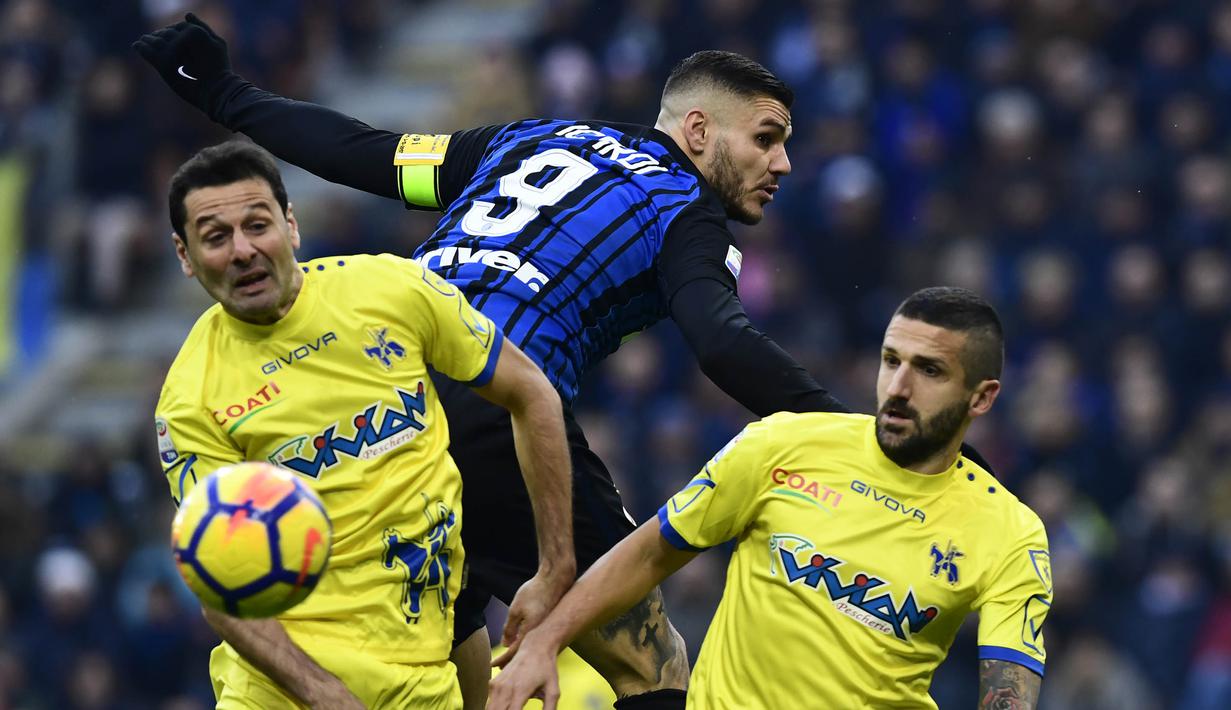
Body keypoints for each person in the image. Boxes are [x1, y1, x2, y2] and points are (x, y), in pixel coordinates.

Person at [134, 16, 987, 708]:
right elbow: (722, 342)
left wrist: (224, 93)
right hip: (495, 407)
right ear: (696, 130)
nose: (783, 163)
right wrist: (874, 440)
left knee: (461, 677)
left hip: (384, 405)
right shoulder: (682, 208)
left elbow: (370, 155)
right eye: (766, 139)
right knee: (654, 671)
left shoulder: (533, 139)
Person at [489, 287, 1053, 710]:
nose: (899, 388)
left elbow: (1008, 687)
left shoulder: (1009, 532)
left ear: (981, 398)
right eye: (890, 360)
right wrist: (548, 639)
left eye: (929, 370)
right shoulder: (785, 441)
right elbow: (649, 554)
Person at [154, 140, 573, 708]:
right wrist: (321, 692)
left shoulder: (389, 290)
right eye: (215, 237)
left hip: (420, 677)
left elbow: (531, 394)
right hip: (281, 691)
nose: (243, 250)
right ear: (185, 255)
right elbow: (218, 584)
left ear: (291, 226)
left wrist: (555, 565)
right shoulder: (190, 398)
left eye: (258, 225)